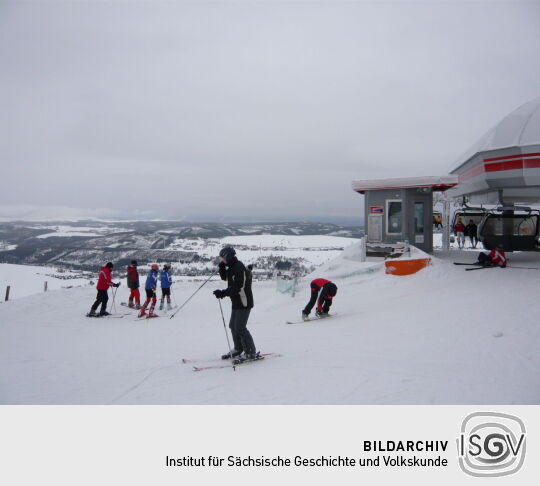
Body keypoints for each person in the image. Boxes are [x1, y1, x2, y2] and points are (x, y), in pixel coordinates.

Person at [213, 246, 257, 360]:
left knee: (240, 327)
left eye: (222, 259)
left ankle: (251, 352)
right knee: (233, 325)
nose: (221, 260)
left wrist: (223, 293)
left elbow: (238, 287)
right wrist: (222, 267)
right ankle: (238, 348)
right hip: (236, 301)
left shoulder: (239, 267)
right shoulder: (232, 266)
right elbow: (226, 278)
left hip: (244, 301)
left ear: (228, 256)